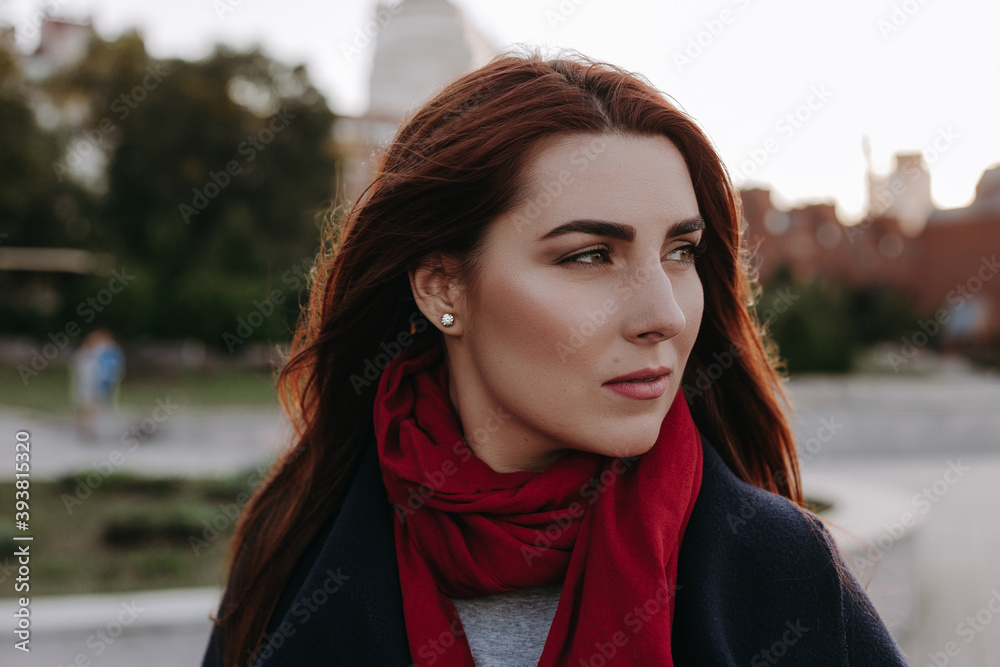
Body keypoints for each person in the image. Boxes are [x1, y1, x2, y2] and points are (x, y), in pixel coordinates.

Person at [201, 51, 909, 666]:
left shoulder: (787, 576)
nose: (663, 312)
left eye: (680, 251)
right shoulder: (290, 550)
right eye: (591, 255)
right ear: (442, 285)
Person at [71, 327, 125, 441]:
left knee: (93, 404)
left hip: (97, 382)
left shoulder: (107, 350)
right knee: (88, 404)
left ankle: (89, 427)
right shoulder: (89, 351)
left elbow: (111, 367)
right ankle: (86, 427)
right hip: (89, 382)